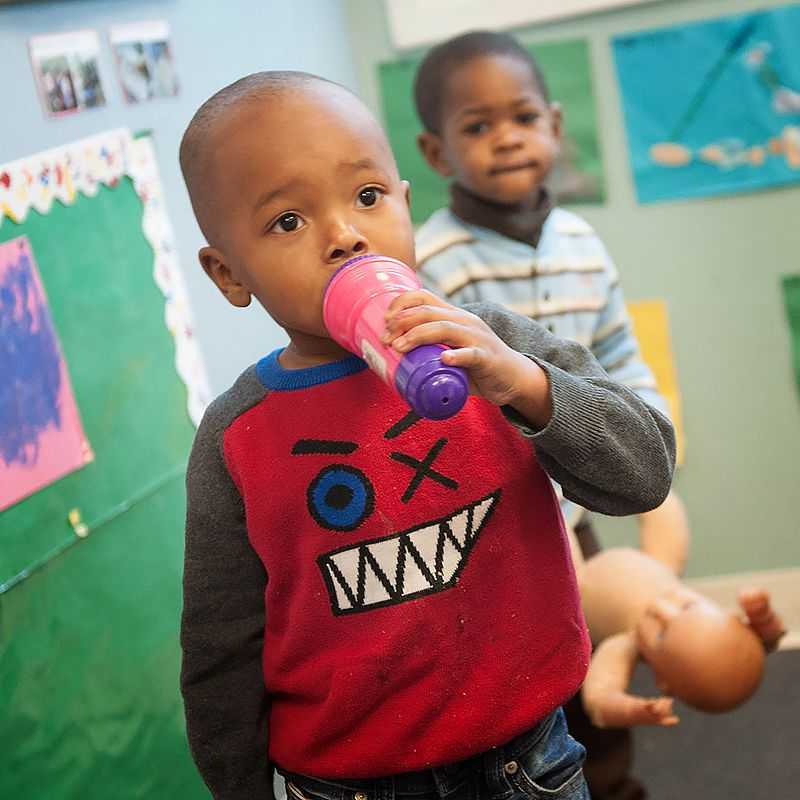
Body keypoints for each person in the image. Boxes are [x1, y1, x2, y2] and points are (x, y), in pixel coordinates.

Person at [178, 70, 676, 800]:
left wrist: (525, 384)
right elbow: (221, 646)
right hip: (350, 785)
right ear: (229, 273)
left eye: (368, 197)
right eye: (288, 221)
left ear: (407, 205)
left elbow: (644, 472)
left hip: (532, 761)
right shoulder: (235, 436)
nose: (345, 235)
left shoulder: (496, 345)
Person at [411, 29, 686, 550]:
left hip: (581, 497)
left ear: (555, 126)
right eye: (477, 126)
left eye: (525, 118)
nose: (508, 137)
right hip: (496, 518)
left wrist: (649, 436)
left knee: (668, 526)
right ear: (437, 153)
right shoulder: (431, 261)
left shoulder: (583, 243)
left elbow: (620, 360)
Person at [570, 539, 786, 728]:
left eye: (661, 635)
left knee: (558, 545)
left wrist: (631, 710)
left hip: (575, 577)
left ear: (662, 681)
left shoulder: (623, 645)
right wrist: (763, 620)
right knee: (663, 516)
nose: (661, 608)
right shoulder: (670, 585)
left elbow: (599, 699)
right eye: (688, 607)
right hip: (655, 562)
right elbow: (765, 642)